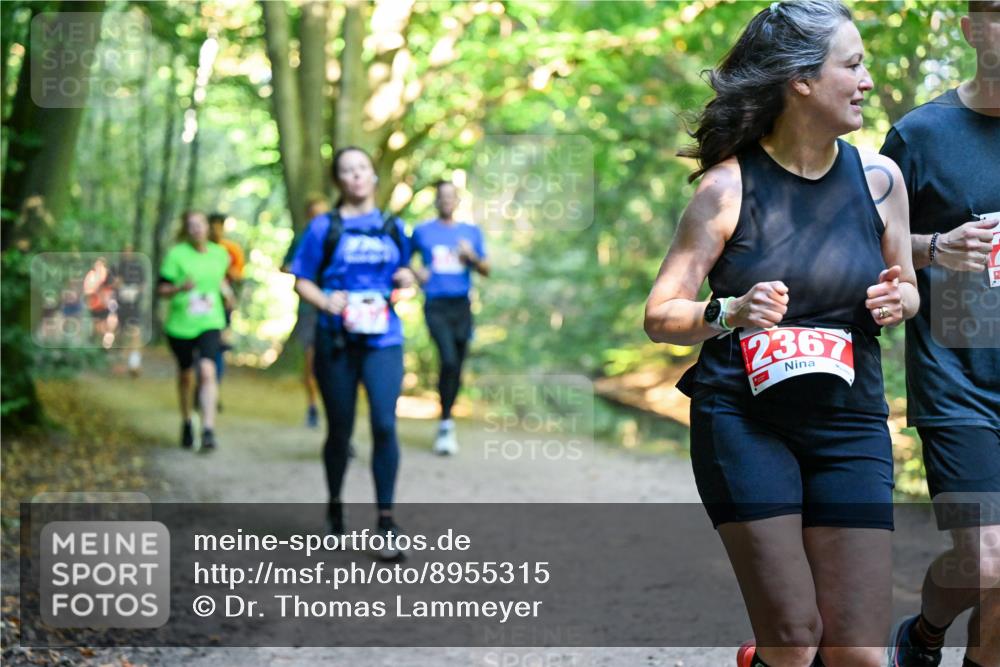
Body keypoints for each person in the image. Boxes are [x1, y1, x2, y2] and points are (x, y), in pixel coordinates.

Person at [643, 2, 920, 666]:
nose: (867, 81)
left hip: (848, 420)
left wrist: (896, 298)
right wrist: (727, 313)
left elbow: (907, 282)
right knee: (795, 638)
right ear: (800, 80)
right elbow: (661, 315)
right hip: (744, 419)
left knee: (858, 651)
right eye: (852, 65)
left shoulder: (879, 181)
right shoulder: (726, 189)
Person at [880, 3, 1000, 666]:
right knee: (988, 561)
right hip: (959, 385)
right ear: (972, 27)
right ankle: (923, 633)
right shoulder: (920, 135)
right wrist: (934, 246)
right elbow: (861, 241)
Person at [288, 146, 415, 560]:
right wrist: (325, 302)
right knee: (340, 431)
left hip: (383, 340)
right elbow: (300, 280)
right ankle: (336, 508)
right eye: (347, 171)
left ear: (374, 176)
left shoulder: (394, 226)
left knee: (384, 424)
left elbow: (411, 272)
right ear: (339, 180)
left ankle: (386, 520)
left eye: (362, 168)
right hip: (336, 341)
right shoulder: (324, 227)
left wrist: (407, 277)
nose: (356, 176)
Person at [411, 180, 489, 455]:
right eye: (441, 196)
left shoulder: (471, 233)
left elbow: (487, 269)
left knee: (457, 366)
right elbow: (403, 262)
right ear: (436, 201)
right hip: (436, 305)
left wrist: (471, 256)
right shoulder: (422, 232)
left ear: (457, 201)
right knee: (447, 358)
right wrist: (415, 273)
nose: (446, 201)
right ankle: (445, 424)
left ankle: (447, 419)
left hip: (462, 307)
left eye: (451, 196)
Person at [158, 210, 234, 452]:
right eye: (191, 225)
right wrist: (180, 287)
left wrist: (228, 294)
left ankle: (209, 429)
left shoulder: (220, 254)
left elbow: (219, 280)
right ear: (186, 230)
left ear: (207, 227)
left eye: (199, 224)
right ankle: (187, 420)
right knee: (186, 375)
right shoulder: (176, 255)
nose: (196, 229)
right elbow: (162, 289)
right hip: (181, 325)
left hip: (210, 320)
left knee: (208, 370)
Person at [283, 196, 330, 428]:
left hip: (336, 310)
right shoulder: (302, 239)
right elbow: (285, 265)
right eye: (315, 215)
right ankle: (312, 405)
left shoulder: (338, 236)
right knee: (311, 361)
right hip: (309, 310)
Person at [207, 213, 245, 395]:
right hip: (202, 304)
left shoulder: (231, 250)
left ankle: (214, 388)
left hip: (223, 304)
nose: (215, 230)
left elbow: (239, 277)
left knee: (219, 348)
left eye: (218, 226)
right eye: (212, 226)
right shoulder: (200, 249)